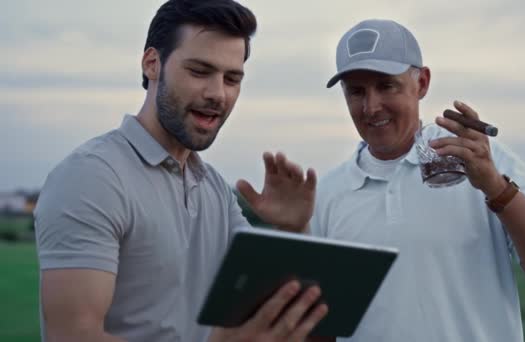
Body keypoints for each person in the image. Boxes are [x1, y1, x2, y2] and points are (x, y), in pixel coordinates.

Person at [34, 1, 328, 341]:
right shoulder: (91, 178)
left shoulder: (214, 189)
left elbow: (272, 307)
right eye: (199, 71)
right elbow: (72, 336)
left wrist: (293, 231)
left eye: (232, 78)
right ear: (152, 64)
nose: (218, 94)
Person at [310, 19, 525, 342]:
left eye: (386, 86)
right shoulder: (325, 195)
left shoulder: (484, 161)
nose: (371, 107)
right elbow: (319, 327)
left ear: (422, 83)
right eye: (356, 92)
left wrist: (495, 187)